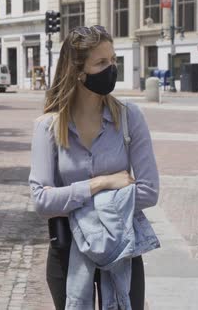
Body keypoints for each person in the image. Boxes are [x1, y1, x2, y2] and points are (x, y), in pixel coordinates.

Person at [28, 25, 160, 310]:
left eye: (113, 60)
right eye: (101, 63)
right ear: (78, 71)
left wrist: (69, 197)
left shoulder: (129, 117)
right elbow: (41, 201)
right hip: (67, 253)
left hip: (122, 248)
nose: (111, 68)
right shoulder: (48, 126)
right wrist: (102, 184)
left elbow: (149, 192)